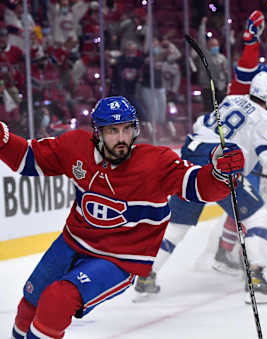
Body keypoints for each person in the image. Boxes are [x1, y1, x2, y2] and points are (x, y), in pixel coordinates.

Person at [5, 96, 245, 338]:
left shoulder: (155, 163)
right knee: (29, 305)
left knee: (58, 300)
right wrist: (3, 139)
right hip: (71, 243)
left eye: (126, 129)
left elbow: (198, 187)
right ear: (97, 133)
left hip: (119, 259)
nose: (121, 139)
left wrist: (220, 174)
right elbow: (27, 158)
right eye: (112, 131)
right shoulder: (75, 147)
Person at [132, 11, 267, 305]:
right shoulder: (266, 118)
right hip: (219, 162)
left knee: (179, 223)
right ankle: (256, 280)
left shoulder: (231, 99)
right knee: (258, 215)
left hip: (189, 158)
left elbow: (245, 79)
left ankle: (147, 275)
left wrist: (266, 51)